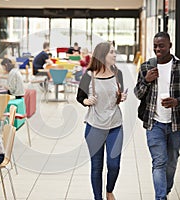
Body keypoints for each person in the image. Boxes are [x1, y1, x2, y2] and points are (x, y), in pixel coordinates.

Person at [134, 32, 180, 200]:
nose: (157, 49)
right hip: (154, 123)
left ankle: (166, 189)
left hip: (175, 124)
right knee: (159, 162)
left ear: (170, 45)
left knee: (171, 162)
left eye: (161, 45)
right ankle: (160, 197)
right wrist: (146, 81)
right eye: (155, 46)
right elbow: (138, 94)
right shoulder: (147, 67)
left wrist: (177, 101)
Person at [76, 42, 127, 200]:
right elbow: (80, 97)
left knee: (114, 165)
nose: (114, 55)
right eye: (111, 52)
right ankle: (98, 198)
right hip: (94, 127)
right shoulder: (88, 76)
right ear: (102, 55)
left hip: (115, 126)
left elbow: (117, 95)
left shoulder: (118, 73)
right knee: (96, 168)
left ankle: (109, 190)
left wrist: (121, 97)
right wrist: (87, 101)